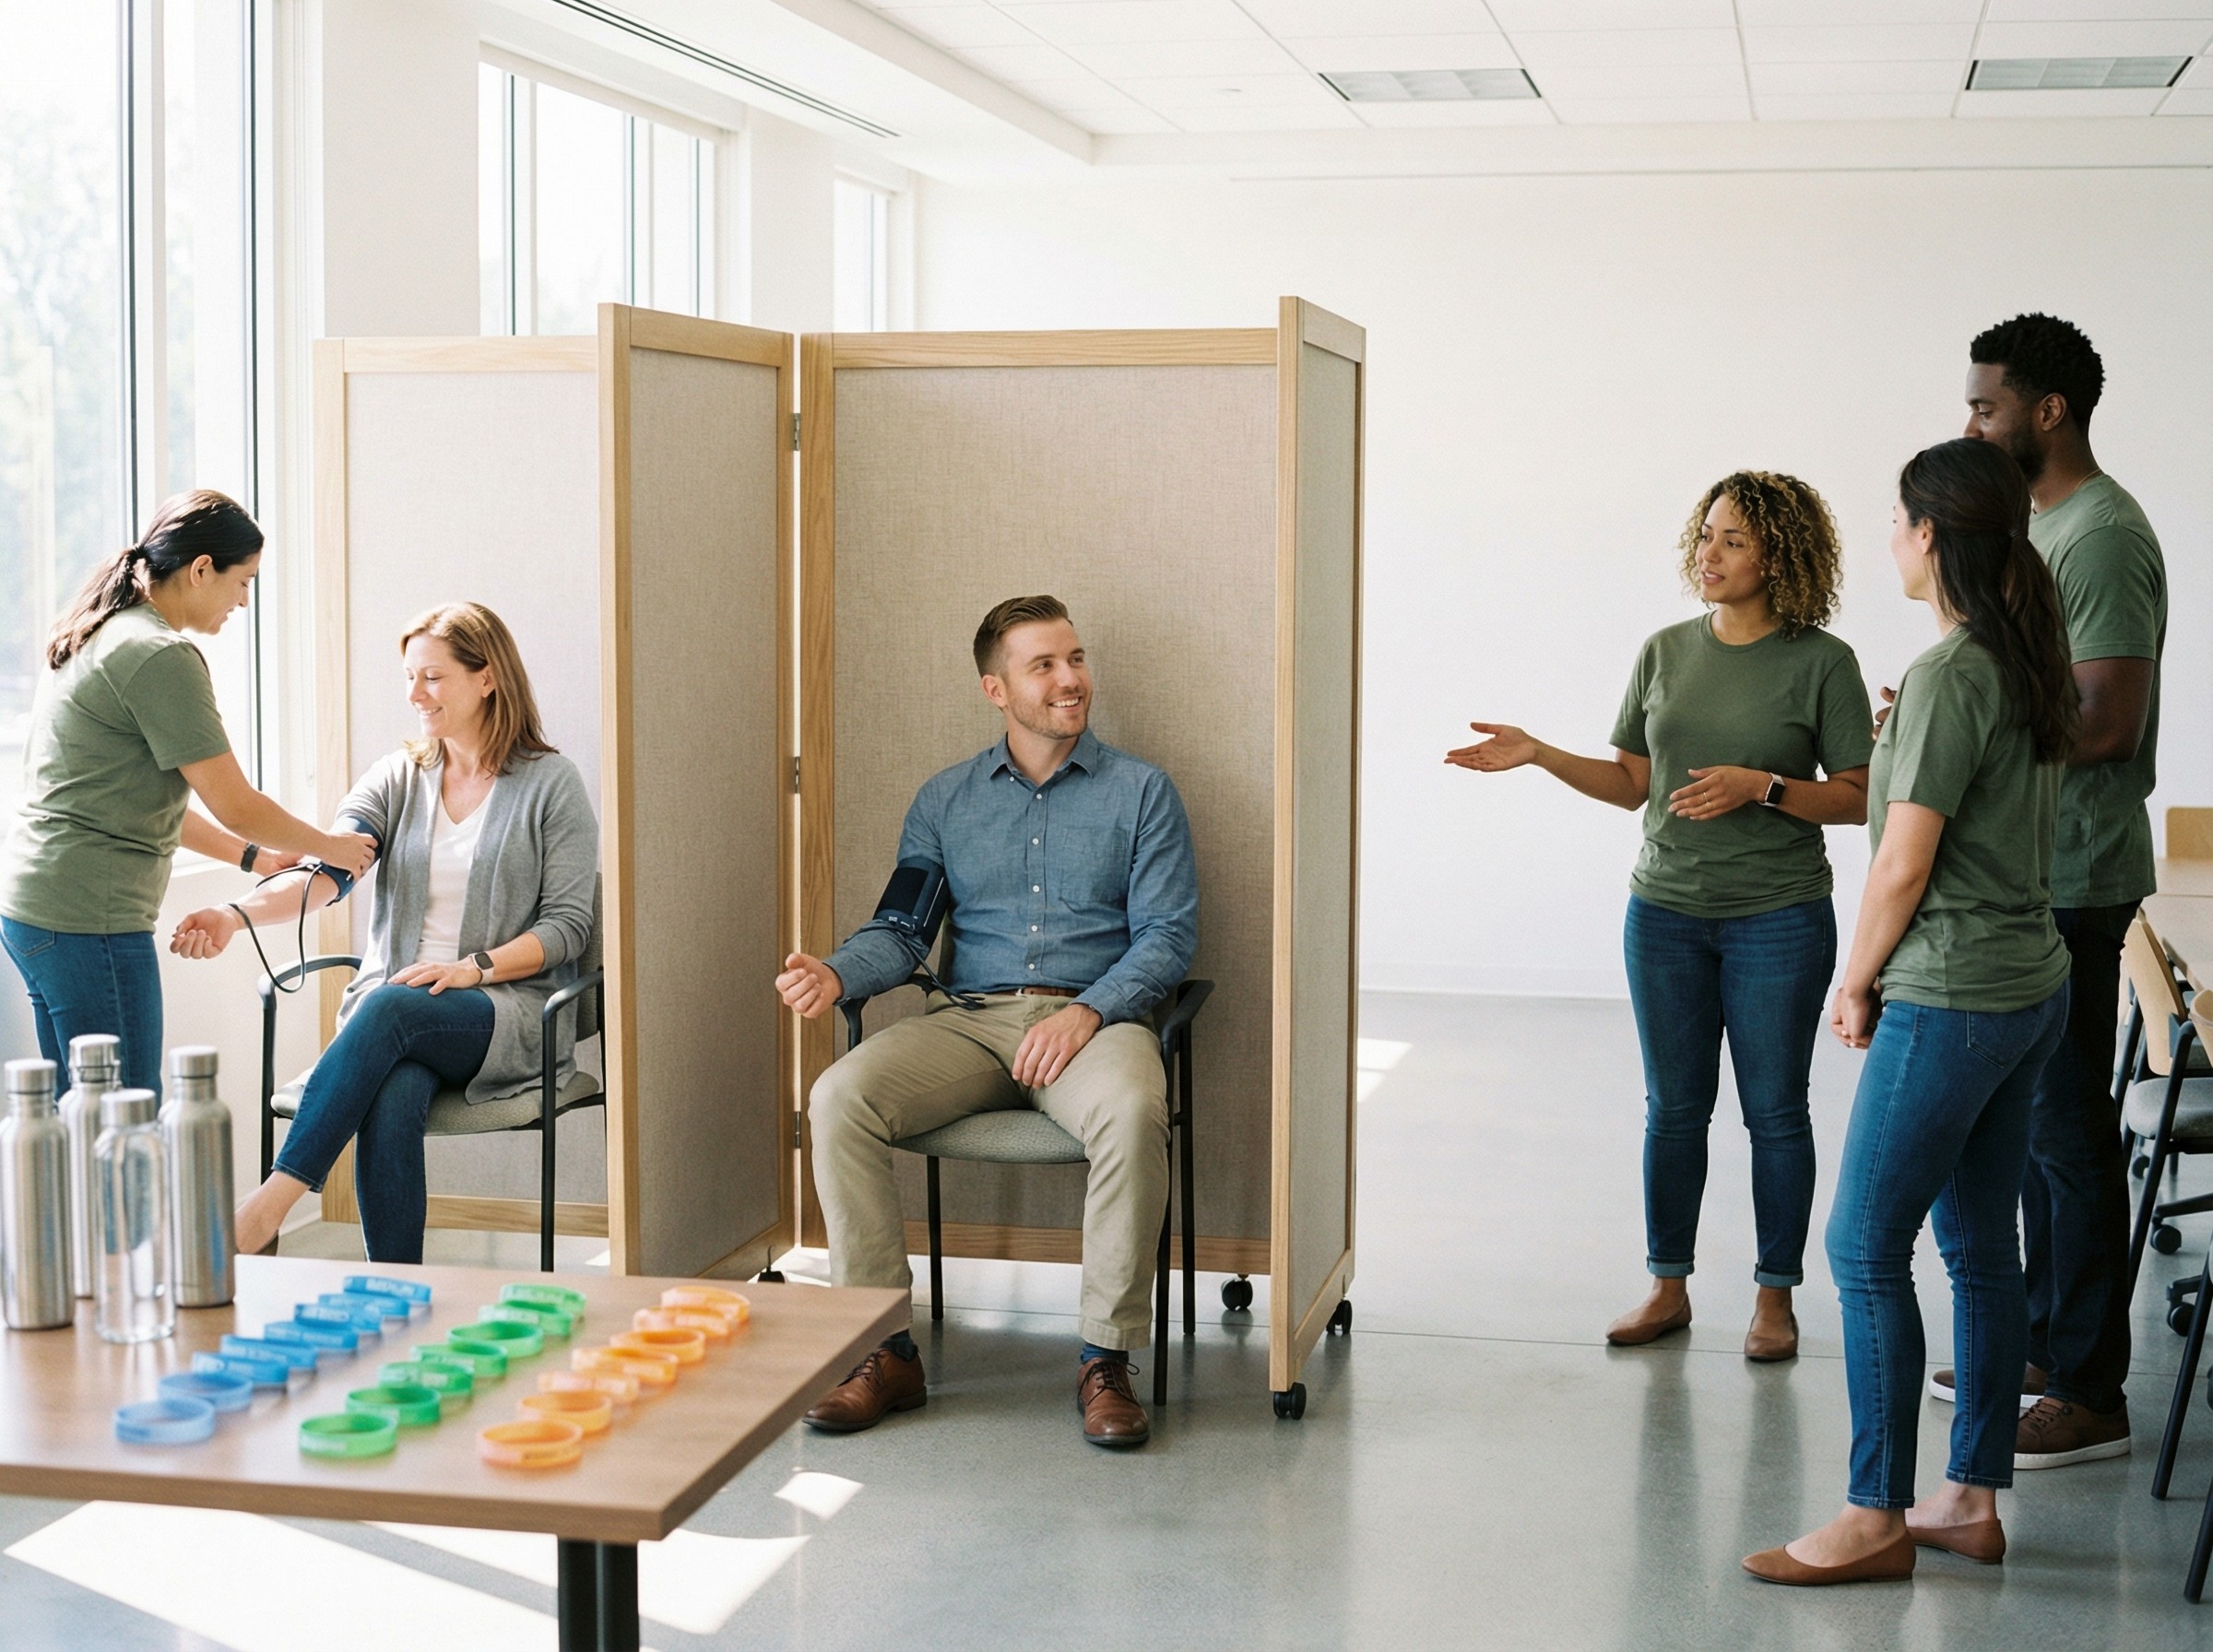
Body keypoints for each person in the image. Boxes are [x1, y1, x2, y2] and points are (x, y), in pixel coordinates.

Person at [1746, 439, 2076, 1587]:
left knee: (1861, 1244)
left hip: (1953, 993)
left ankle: (1873, 1513)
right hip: (2027, 983)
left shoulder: (1951, 673)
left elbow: (1901, 862)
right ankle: (1971, 1498)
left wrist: (1853, 980)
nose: (1890, 537)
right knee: (1981, 1247)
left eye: (1898, 520)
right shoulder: (2022, 657)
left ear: (1931, 535)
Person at [1449, 474, 1871, 1363]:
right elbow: (1630, 784)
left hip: (1779, 919)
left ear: (1780, 557)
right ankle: (1667, 1286)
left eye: (1733, 541)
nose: (1708, 555)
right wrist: (1540, 754)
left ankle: (1776, 1299)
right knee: (1674, 1110)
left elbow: (1858, 797)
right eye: (1706, 535)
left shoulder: (1823, 662)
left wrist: (1763, 787)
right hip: (1666, 915)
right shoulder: (1664, 651)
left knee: (1775, 1114)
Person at [776, 595, 1198, 1448]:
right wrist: (836, 971)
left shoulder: (1143, 793)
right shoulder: (945, 800)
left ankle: (1105, 1359)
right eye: (1044, 666)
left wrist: (1089, 1012)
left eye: (1075, 658)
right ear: (995, 690)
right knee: (840, 1096)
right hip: (968, 1023)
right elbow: (902, 931)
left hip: (1095, 1022)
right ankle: (883, 1350)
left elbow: (1168, 936)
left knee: (1132, 1110)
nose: (1070, 679)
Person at [1921, 313, 2165, 1469]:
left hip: (2076, 872)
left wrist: (1976, 731)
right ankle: (2038, 1340)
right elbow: (2032, 690)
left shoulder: (2100, 536)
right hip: (2032, 869)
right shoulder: (2040, 529)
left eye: (1986, 407)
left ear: (2048, 410)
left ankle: (2089, 1388)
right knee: (2028, 1131)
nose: (1972, 425)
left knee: (2067, 1134)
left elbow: (2106, 722)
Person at [171, 602, 597, 1263]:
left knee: (391, 1005)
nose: (414, 694)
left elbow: (568, 928)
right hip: (399, 1015)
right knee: (394, 1087)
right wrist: (236, 914)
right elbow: (327, 872)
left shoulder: (552, 785)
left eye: (433, 677)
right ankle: (397, 1289)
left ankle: (268, 1206)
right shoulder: (399, 777)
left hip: (501, 1010)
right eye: (409, 677)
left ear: (487, 678)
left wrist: (472, 968)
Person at [0, 491, 375, 1093]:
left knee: (82, 1110)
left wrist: (255, 859)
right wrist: (331, 846)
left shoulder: (102, 630)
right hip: (87, 917)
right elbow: (237, 804)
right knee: (126, 1113)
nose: (243, 601)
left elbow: (133, 799)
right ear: (201, 569)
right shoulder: (160, 655)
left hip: (36, 908)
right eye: (243, 581)